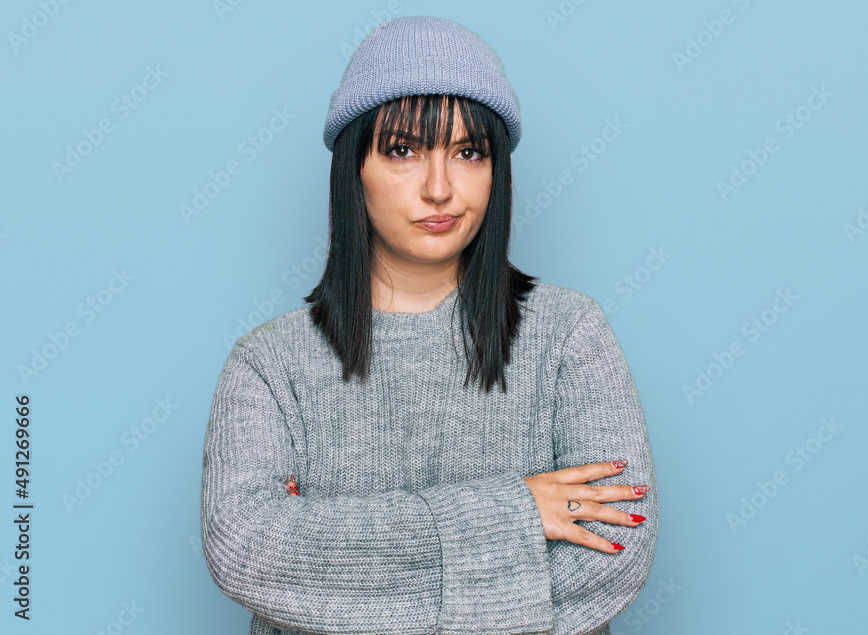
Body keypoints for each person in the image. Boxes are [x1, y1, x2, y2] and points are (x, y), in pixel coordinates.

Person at [200, 15, 658, 635]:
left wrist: (329, 550)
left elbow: (611, 560)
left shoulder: (568, 334)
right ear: (352, 168)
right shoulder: (270, 364)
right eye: (402, 149)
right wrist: (520, 512)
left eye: (468, 152)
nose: (440, 187)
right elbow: (247, 551)